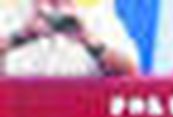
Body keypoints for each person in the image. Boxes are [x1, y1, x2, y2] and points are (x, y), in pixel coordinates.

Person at [0, 0, 140, 76]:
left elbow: (131, 69)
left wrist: (88, 39)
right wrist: (22, 36)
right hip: (20, 111)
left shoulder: (95, 10)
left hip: (80, 111)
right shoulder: (10, 8)